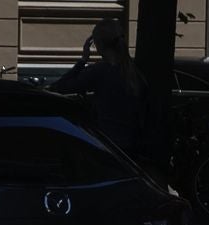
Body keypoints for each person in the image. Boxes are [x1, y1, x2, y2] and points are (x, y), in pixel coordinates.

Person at [54, 16, 149, 161]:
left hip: (108, 147)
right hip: (133, 149)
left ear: (98, 45)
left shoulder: (99, 72)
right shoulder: (136, 72)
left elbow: (60, 87)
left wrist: (82, 60)